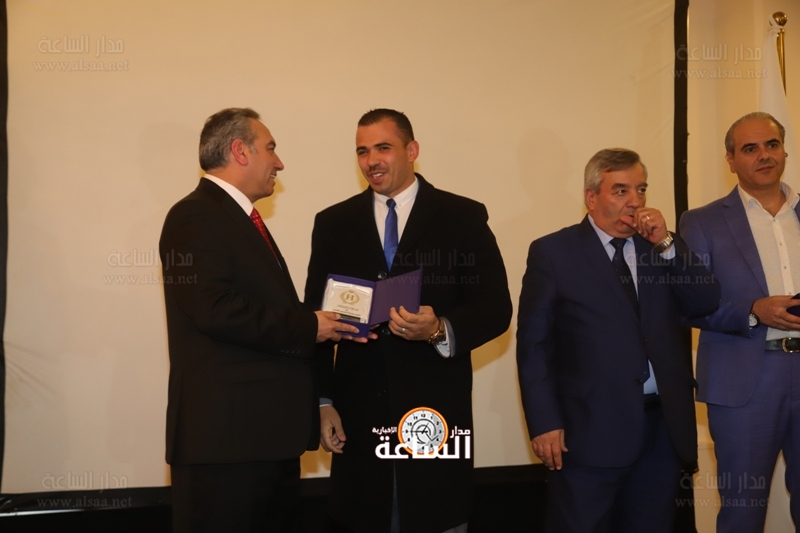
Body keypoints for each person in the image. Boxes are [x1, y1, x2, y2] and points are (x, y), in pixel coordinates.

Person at [304, 108, 512, 533]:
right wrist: (323, 402)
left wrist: (438, 329)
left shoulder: (462, 216)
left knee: (436, 518)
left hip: (435, 412)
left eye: (383, 148)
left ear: (412, 150)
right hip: (359, 416)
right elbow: (316, 320)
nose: (371, 161)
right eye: (362, 151)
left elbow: (496, 308)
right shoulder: (333, 223)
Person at [159, 107, 360, 533]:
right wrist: (311, 326)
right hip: (226, 448)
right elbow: (214, 309)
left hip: (264, 442)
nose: (279, 162)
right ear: (240, 151)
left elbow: (261, 309)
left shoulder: (239, 219)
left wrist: (337, 319)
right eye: (270, 148)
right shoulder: (194, 215)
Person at [516, 148, 720, 532]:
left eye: (641, 190)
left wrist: (667, 243)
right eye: (621, 190)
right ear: (591, 197)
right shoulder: (553, 252)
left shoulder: (660, 247)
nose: (635, 201)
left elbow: (706, 302)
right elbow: (534, 347)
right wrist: (544, 422)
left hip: (661, 431)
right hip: (587, 432)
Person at [680, 111, 800, 532]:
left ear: (784, 151)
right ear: (730, 160)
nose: (764, 155)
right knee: (742, 512)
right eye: (750, 148)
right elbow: (690, 305)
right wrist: (754, 310)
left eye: (772, 145)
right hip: (746, 381)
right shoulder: (702, 222)